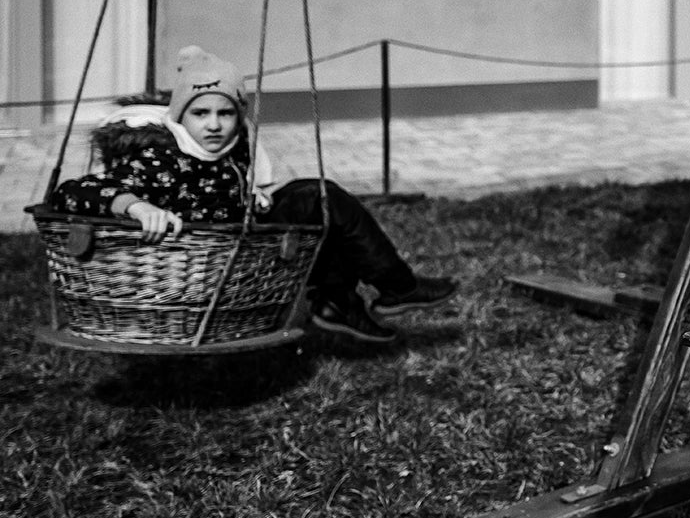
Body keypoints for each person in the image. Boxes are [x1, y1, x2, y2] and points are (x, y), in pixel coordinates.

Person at [52, 46, 455, 345]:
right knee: (316, 200)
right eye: (200, 114)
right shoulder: (162, 159)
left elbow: (231, 186)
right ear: (179, 117)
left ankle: (346, 299)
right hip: (198, 265)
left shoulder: (235, 147)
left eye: (225, 114)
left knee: (321, 199)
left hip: (244, 243)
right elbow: (74, 192)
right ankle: (371, 292)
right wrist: (136, 205)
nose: (214, 126)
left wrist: (254, 197)